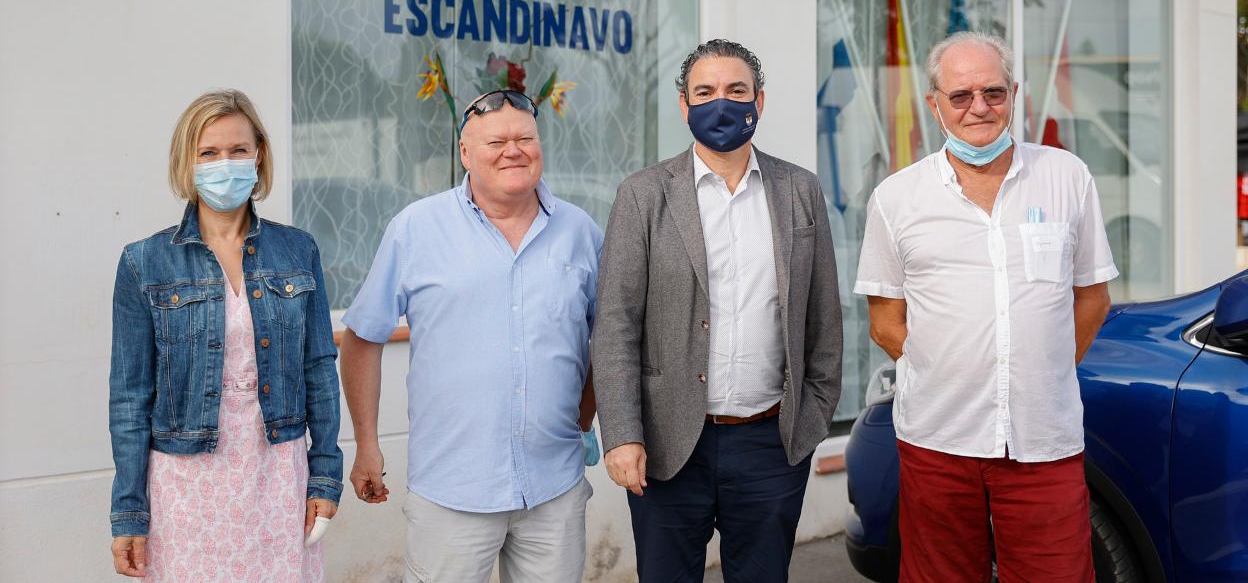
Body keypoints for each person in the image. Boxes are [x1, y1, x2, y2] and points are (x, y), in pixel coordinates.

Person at [855, 32, 1117, 583]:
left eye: (993, 92)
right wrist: (954, 369)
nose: (979, 107)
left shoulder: (1067, 177)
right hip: (938, 439)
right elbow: (885, 323)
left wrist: (1037, 370)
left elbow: (1092, 299)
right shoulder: (898, 198)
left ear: (1015, 93)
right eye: (961, 95)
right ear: (934, 104)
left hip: (1044, 440)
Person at [592, 39, 843, 582]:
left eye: (736, 90)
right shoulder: (644, 194)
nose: (721, 103)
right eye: (705, 92)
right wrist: (622, 433)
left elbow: (823, 315)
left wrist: (814, 417)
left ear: (760, 100)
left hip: (770, 443)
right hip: (668, 444)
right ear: (683, 105)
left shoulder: (800, 189)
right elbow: (614, 324)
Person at [339, 90, 602, 583]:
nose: (514, 150)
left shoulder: (580, 231)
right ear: (464, 152)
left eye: (525, 138)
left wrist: (585, 417)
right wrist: (368, 444)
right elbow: (362, 336)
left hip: (554, 487)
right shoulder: (416, 228)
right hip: (452, 492)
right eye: (496, 141)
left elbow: (605, 338)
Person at [108, 89, 343, 581]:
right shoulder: (143, 262)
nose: (225, 163)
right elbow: (130, 399)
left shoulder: (298, 251)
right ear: (186, 162)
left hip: (277, 471)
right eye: (208, 152)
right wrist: (129, 511)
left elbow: (319, 367)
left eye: (238, 150)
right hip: (185, 481)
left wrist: (324, 475)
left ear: (259, 155)